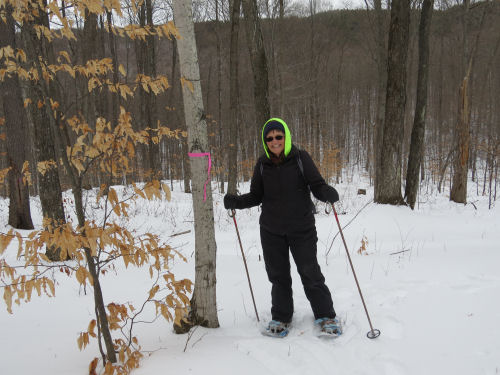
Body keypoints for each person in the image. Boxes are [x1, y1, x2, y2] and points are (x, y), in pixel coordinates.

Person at [224, 117, 341, 335]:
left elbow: (316, 185)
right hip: (271, 230)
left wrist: (327, 194)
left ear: (286, 137)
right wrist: (236, 202)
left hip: (302, 228)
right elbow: (256, 196)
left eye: (279, 136)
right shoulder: (262, 164)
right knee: (278, 276)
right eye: (270, 138)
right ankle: (281, 317)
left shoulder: (300, 158)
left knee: (310, 272)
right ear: (265, 141)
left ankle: (326, 316)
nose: (274, 141)